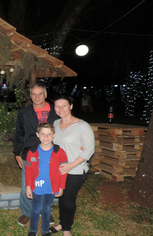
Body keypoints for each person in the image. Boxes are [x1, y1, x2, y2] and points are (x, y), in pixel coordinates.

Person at [13, 82, 60, 227]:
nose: (37, 96)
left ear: (45, 94)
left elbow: (66, 129)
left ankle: (46, 210)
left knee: (48, 184)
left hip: (51, 153)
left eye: (40, 93)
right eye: (34, 94)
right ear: (30, 96)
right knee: (27, 184)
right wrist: (17, 153)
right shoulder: (24, 113)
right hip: (30, 153)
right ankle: (27, 212)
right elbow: (19, 134)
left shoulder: (56, 112)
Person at [50, 95, 95, 236]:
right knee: (61, 198)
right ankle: (62, 222)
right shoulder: (56, 123)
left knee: (68, 199)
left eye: (64, 105)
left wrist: (70, 165)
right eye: (57, 106)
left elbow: (89, 149)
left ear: (71, 106)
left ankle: (66, 229)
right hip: (58, 169)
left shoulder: (82, 126)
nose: (60, 109)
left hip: (75, 169)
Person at [26, 123, 68, 236]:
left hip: (51, 187)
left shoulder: (60, 152)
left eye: (49, 134)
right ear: (37, 135)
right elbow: (28, 171)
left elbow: (64, 172)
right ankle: (33, 231)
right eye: (43, 134)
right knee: (35, 209)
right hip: (37, 187)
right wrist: (28, 187)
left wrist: (61, 187)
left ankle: (45, 231)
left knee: (46, 209)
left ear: (54, 135)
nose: (46, 137)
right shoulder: (32, 152)